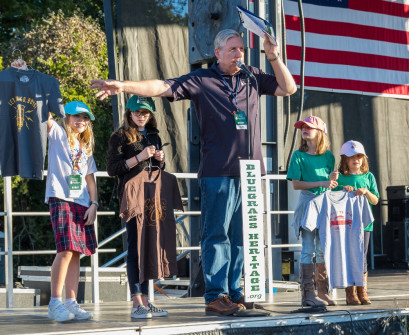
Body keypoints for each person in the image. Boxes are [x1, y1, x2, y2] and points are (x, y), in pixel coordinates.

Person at [92, 29, 297, 316]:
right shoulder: (202, 80)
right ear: (218, 53)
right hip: (218, 171)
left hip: (250, 172)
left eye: (241, 49)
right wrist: (124, 86)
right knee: (217, 235)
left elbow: (289, 89)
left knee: (243, 236)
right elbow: (162, 86)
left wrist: (273, 56)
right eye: (233, 49)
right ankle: (216, 295)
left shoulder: (251, 76)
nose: (239, 54)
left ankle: (237, 293)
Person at [106, 95, 167, 319]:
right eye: (138, 112)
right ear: (129, 113)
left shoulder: (154, 135)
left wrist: (160, 158)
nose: (141, 116)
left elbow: (160, 167)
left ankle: (146, 301)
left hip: (152, 195)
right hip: (132, 196)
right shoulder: (119, 136)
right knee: (135, 248)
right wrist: (139, 157)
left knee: (149, 249)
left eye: (145, 112)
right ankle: (136, 303)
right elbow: (112, 168)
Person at [45, 101, 98, 322]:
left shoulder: (85, 146)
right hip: (61, 198)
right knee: (65, 250)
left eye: (85, 118)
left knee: (77, 252)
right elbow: (44, 114)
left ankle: (71, 301)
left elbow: (90, 179)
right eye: (76, 117)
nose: (81, 121)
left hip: (82, 202)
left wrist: (94, 204)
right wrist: (24, 71)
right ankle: (55, 302)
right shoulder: (57, 134)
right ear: (66, 118)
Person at [286, 116, 338, 307]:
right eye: (303, 127)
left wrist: (333, 181)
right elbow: (296, 184)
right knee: (307, 250)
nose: (304, 129)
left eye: (309, 127)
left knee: (323, 249)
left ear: (320, 131)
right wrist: (322, 182)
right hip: (308, 203)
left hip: (325, 204)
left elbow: (331, 184)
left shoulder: (329, 156)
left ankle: (322, 292)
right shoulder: (298, 156)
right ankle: (307, 294)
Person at [333, 140, 379, 305]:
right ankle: (350, 293)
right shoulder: (340, 178)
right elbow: (331, 197)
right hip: (344, 224)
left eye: (359, 156)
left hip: (364, 225)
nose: (356, 160)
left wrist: (366, 192)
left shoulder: (368, 177)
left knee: (361, 256)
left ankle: (362, 290)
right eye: (351, 157)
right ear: (344, 159)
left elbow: (375, 201)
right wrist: (342, 190)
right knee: (347, 256)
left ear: (363, 159)